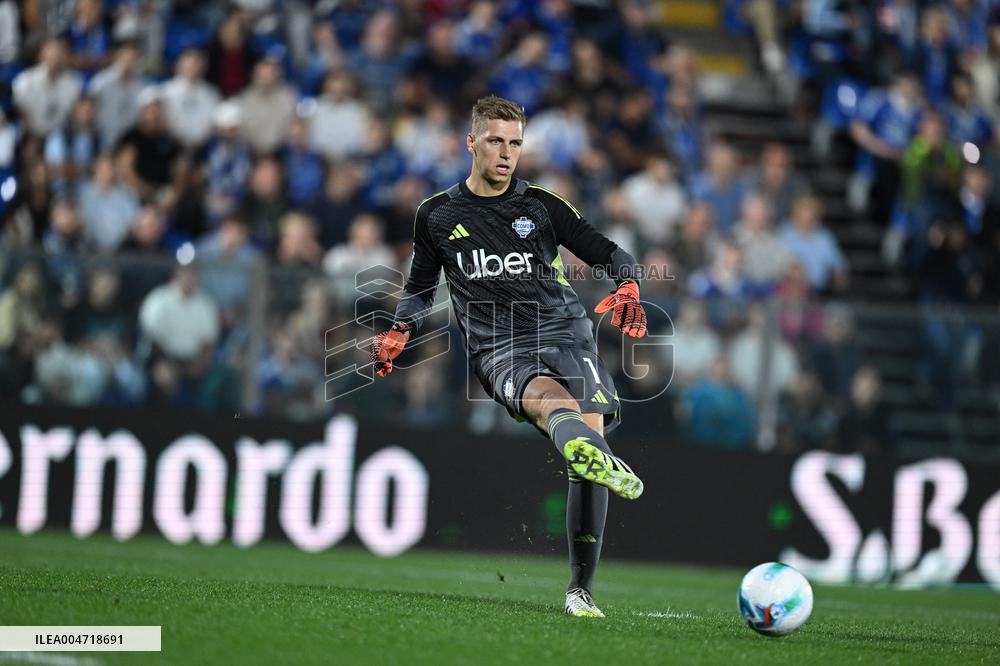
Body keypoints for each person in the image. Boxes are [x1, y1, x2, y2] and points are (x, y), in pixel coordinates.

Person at [370, 96, 648, 619]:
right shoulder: (436, 214)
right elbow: (419, 286)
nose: (506, 153)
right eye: (496, 141)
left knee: (586, 444)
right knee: (551, 407)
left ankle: (580, 592)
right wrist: (399, 330)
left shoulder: (542, 205)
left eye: (515, 143)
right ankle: (581, 456)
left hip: (566, 332)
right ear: (471, 143)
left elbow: (607, 250)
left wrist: (630, 283)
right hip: (499, 346)